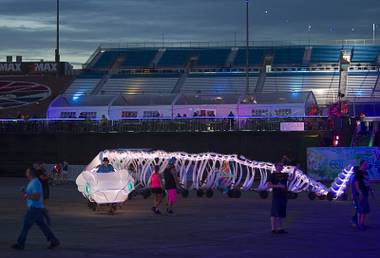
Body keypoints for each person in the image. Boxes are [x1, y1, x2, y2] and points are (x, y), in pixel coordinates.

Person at [12, 168, 60, 250]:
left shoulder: (35, 183)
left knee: (25, 226)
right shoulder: (33, 182)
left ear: (30, 174)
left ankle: (20, 243)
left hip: (34, 209)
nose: (25, 173)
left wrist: (27, 195)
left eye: (27, 172)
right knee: (42, 226)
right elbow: (31, 195)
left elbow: (36, 197)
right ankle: (54, 241)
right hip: (36, 208)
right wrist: (25, 192)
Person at [266, 163, 288, 234]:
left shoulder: (284, 175)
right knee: (275, 213)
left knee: (281, 213)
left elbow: (291, 178)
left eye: (281, 166)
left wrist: (295, 169)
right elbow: (268, 185)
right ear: (275, 167)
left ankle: (280, 228)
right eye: (278, 166)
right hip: (276, 196)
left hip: (284, 196)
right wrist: (278, 186)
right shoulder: (272, 175)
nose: (280, 167)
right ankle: (273, 229)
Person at [351, 160, 371, 229]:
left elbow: (367, 182)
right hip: (360, 195)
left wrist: (369, 189)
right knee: (361, 210)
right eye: (365, 164)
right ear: (362, 165)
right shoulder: (358, 173)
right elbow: (356, 183)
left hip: (364, 193)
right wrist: (359, 192)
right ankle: (360, 224)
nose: (367, 166)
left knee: (364, 209)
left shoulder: (365, 173)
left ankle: (361, 223)